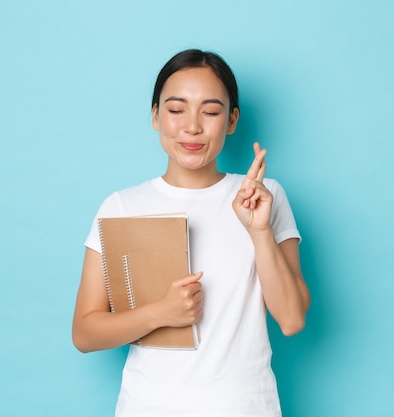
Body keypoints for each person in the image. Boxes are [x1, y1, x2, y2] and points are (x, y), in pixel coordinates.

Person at [72, 49, 310, 417]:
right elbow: (85, 333)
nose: (193, 126)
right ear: (155, 116)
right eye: (176, 109)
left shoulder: (264, 196)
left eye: (211, 111)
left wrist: (259, 232)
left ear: (231, 121)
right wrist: (159, 313)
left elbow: (292, 320)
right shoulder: (121, 205)